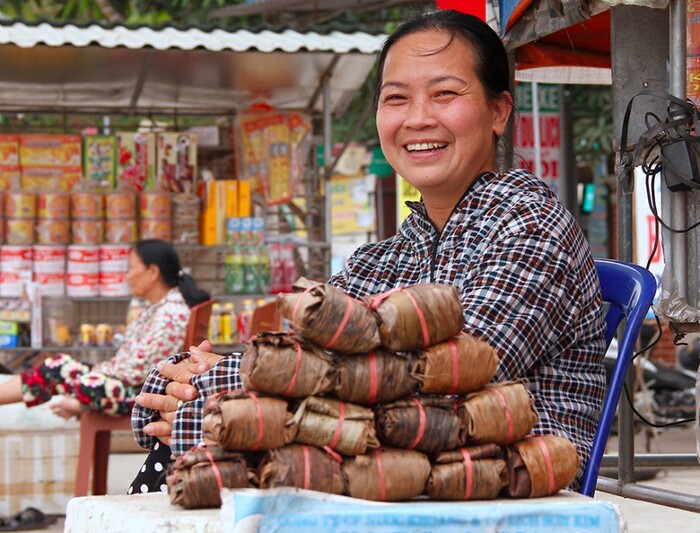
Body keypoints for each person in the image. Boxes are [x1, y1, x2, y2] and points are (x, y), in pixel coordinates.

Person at [132, 10, 606, 493]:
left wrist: (224, 390)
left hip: (500, 489)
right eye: (396, 98)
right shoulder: (382, 259)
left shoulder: (530, 224)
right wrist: (194, 380)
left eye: (445, 93)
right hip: (386, 482)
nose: (418, 118)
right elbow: (303, 357)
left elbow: (448, 383)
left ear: (499, 112)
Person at [0, 239, 209, 420]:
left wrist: (96, 371)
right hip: (125, 386)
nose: (127, 276)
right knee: (58, 366)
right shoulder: (161, 308)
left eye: (131, 268)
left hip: (136, 395)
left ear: (152, 272)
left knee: (57, 370)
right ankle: (80, 403)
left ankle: (81, 403)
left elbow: (135, 372)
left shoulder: (170, 313)